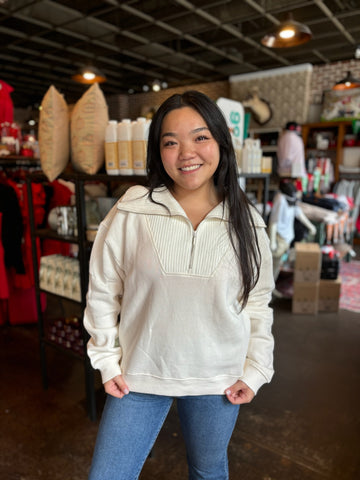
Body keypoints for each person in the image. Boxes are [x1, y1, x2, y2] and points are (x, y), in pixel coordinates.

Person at [84, 90, 275, 480]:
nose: (186, 152)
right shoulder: (134, 208)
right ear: (158, 151)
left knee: (208, 472)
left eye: (200, 137)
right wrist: (106, 358)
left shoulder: (246, 220)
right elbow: (103, 288)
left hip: (220, 379)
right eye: (171, 142)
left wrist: (256, 368)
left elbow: (258, 302)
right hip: (138, 373)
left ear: (221, 142)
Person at [268, 178, 316, 283]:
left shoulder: (292, 199)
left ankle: (272, 288)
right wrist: (272, 242)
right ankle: (268, 292)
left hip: (287, 238)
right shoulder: (280, 199)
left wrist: (311, 226)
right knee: (272, 267)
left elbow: (299, 214)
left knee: (278, 265)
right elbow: (273, 221)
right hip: (278, 238)